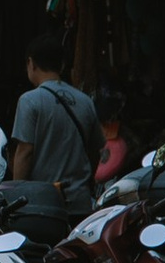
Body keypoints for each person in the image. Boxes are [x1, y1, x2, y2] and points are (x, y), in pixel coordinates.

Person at [10, 39, 101, 203]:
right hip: (80, 200)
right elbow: (94, 152)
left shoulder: (30, 100)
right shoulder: (85, 101)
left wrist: (17, 194)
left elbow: (25, 152)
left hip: (43, 202)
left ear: (31, 63)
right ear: (63, 65)